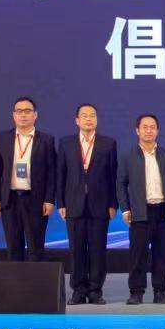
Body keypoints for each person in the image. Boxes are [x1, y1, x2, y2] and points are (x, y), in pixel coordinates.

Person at [57, 103, 118, 305]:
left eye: (92, 115)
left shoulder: (108, 143)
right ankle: (78, 291)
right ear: (77, 120)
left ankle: (95, 291)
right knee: (76, 250)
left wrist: (113, 203)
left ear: (97, 120)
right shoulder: (66, 143)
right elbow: (60, 174)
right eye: (84, 115)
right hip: (73, 204)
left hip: (100, 205)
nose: (89, 119)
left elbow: (113, 175)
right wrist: (61, 202)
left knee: (98, 249)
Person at [117, 113, 165, 305]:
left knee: (162, 254)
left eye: (152, 127)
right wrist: (125, 209)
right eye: (145, 127)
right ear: (137, 130)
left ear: (157, 131)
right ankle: (136, 292)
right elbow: (121, 184)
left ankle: (161, 291)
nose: (149, 131)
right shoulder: (128, 156)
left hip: (162, 211)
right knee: (138, 255)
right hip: (139, 211)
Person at [0, 96, 56, 262]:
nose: (23, 115)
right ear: (14, 115)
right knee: (13, 247)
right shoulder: (4, 138)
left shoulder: (46, 140)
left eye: (27, 111)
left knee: (36, 248)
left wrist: (49, 199)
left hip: (36, 199)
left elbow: (51, 173)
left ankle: (34, 280)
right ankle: (15, 279)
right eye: (19, 111)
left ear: (35, 115)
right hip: (10, 199)